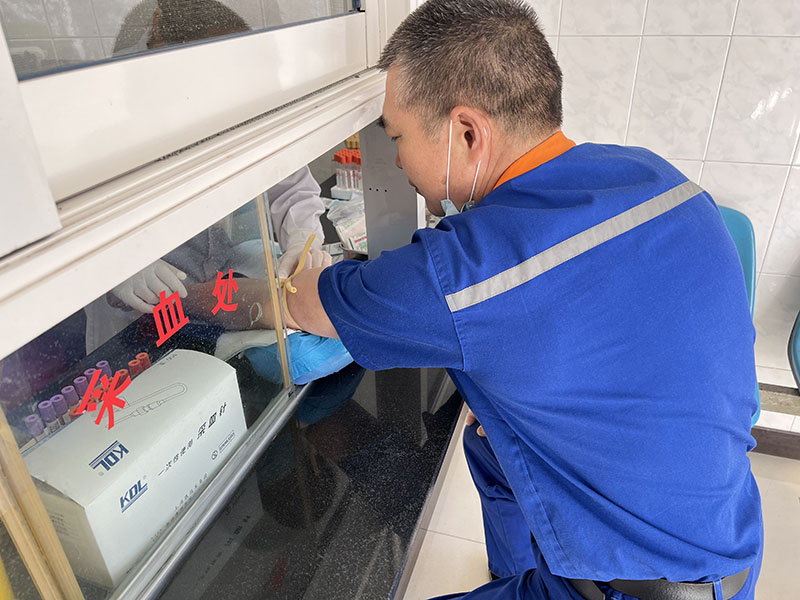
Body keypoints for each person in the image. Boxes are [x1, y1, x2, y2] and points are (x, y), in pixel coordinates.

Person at [283, 1, 763, 599]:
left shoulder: (469, 267)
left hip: (630, 590)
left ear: (467, 133)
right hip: (729, 537)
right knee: (488, 438)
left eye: (397, 137)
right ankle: (514, 574)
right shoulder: (659, 179)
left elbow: (305, 301)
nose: (397, 159)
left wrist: (231, 291)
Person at [85, 0, 332, 352]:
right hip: (134, 323)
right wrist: (112, 262)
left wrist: (302, 236)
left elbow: (287, 180)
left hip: (210, 294)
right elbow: (61, 231)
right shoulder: (106, 118)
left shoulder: (236, 86)